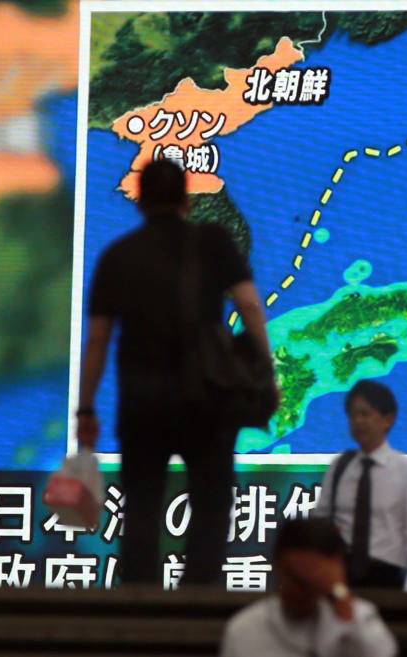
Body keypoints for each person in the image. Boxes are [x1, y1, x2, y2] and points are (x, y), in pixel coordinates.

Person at [75, 159, 273, 586]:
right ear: (186, 197)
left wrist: (86, 408)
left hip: (142, 404)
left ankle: (142, 616)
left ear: (141, 200)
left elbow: (97, 341)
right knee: (210, 507)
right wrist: (263, 370)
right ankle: (198, 606)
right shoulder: (213, 244)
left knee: (142, 508)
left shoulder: (118, 257)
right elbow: (251, 307)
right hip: (206, 400)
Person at [314, 380, 407, 592]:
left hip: (385, 578)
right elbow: (320, 523)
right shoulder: (340, 466)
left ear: (388, 419)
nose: (358, 421)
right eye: (353, 415)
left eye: (365, 414)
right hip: (339, 578)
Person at [219, 517, 397, 657]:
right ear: (277, 565)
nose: (300, 589)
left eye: (311, 578)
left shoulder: (359, 617)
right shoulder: (244, 629)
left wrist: (340, 597)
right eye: (294, 576)